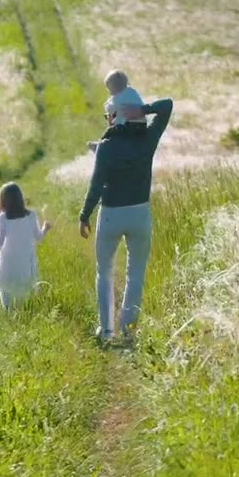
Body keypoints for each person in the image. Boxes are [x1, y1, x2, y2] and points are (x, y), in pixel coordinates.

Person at [79, 85, 174, 345]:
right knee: (136, 275)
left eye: (108, 116)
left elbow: (96, 185)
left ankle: (107, 331)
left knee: (105, 273)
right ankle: (129, 332)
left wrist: (84, 215)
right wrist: (143, 109)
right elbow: (167, 105)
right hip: (139, 215)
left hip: (110, 215)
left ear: (116, 116)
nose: (107, 121)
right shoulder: (148, 139)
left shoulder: (107, 146)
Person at [0, 182, 51, 310]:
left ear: (4, 201)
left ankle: (8, 314)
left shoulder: (3, 219)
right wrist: (45, 228)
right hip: (25, 261)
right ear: (20, 198)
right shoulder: (31, 215)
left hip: (8, 262)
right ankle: (22, 314)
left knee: (6, 289)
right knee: (24, 292)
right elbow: (38, 237)